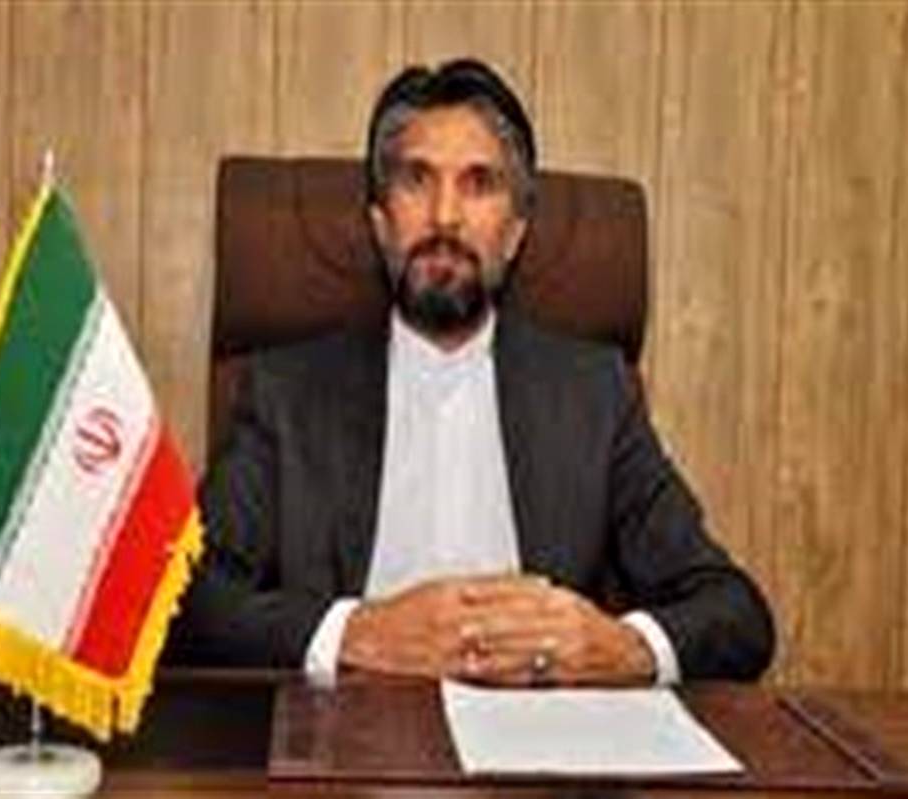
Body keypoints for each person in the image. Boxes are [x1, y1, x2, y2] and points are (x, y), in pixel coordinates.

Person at [165, 58, 775, 687]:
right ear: (380, 224)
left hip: (539, 732)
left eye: (479, 183)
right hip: (355, 724)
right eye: (417, 180)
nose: (445, 216)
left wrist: (624, 647)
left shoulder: (594, 395)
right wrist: (355, 634)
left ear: (514, 234)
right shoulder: (286, 395)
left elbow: (736, 615)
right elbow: (184, 602)